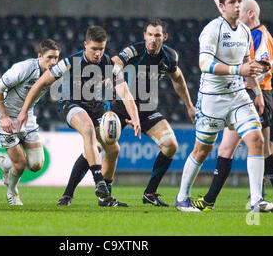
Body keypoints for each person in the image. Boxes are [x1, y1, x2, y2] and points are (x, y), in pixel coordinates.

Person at [57, 18, 196, 207]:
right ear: (144, 35)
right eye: (149, 35)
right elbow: (115, 62)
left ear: (165, 37)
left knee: (171, 145)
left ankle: (149, 193)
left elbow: (178, 79)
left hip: (145, 109)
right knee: (96, 148)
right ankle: (68, 194)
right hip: (119, 107)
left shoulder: (170, 56)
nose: (153, 39)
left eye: (157, 35)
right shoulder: (134, 51)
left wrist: (189, 105)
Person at [174, 0, 273, 213]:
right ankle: (182, 197)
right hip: (213, 99)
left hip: (238, 96)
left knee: (256, 140)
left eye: (240, 1)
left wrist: (258, 93)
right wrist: (237, 70)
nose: (238, 5)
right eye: (233, 1)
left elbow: (247, 65)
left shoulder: (244, 31)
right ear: (222, 7)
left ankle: (256, 200)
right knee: (202, 150)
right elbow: (204, 65)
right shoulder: (211, 30)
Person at [16, 25, 141, 206]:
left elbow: (125, 93)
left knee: (113, 149)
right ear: (85, 45)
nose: (98, 53)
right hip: (71, 104)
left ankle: (99, 197)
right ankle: (98, 181)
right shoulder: (69, 62)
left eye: (101, 49)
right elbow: (40, 83)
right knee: (88, 129)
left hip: (96, 108)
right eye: (94, 49)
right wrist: (23, 111)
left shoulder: (110, 65)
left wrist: (135, 117)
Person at [0, 39, 61, 205]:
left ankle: (4, 163)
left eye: (56, 58)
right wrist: (4, 117)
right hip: (6, 117)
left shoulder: (55, 73)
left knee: (37, 164)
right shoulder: (24, 68)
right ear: (39, 56)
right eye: (49, 57)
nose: (53, 62)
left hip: (27, 118)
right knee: (21, 163)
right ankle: (12, 193)